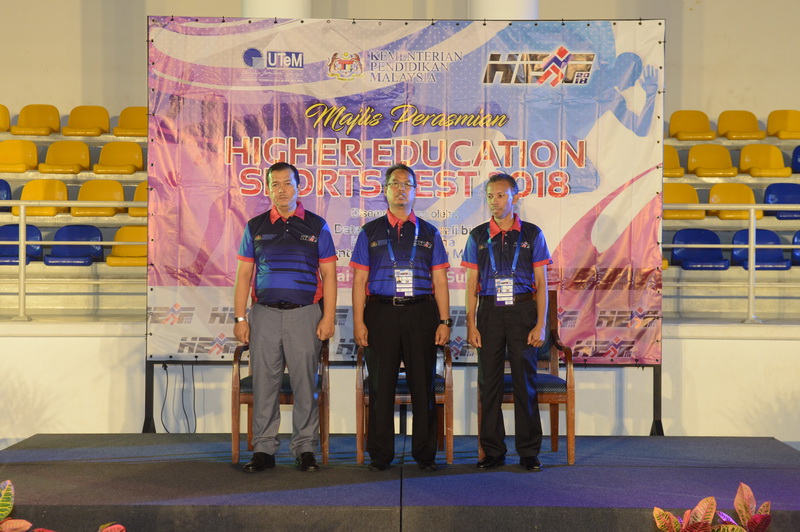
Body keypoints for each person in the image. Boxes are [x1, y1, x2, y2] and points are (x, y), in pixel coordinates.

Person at [233, 162, 337, 473]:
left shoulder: (317, 226)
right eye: (275, 184)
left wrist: (328, 317)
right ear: (267, 189)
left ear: (299, 187)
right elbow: (243, 276)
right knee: (265, 385)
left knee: (305, 384)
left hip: (304, 315)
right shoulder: (255, 226)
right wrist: (240, 318)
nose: (282, 190)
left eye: (288, 183)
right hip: (263, 315)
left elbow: (330, 276)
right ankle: (264, 449)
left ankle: (305, 448)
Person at [350, 163, 451, 472]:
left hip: (421, 313)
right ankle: (380, 455)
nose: (400, 189)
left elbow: (440, 280)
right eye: (394, 184)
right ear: (385, 190)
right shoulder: (370, 231)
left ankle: (425, 455)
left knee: (423, 386)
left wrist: (444, 321)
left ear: (415, 191)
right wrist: (359, 322)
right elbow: (359, 280)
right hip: (380, 313)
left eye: (406, 184)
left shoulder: (430, 232)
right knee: (381, 388)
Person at [461, 172, 552, 472]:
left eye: (501, 195)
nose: (495, 201)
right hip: (489, 312)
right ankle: (493, 451)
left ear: (515, 198)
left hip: (522, 312)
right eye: (490, 196)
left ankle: (528, 452)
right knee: (489, 384)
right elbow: (471, 285)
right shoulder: (477, 236)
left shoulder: (532, 234)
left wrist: (540, 324)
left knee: (526, 383)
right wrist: (471, 324)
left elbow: (542, 282)